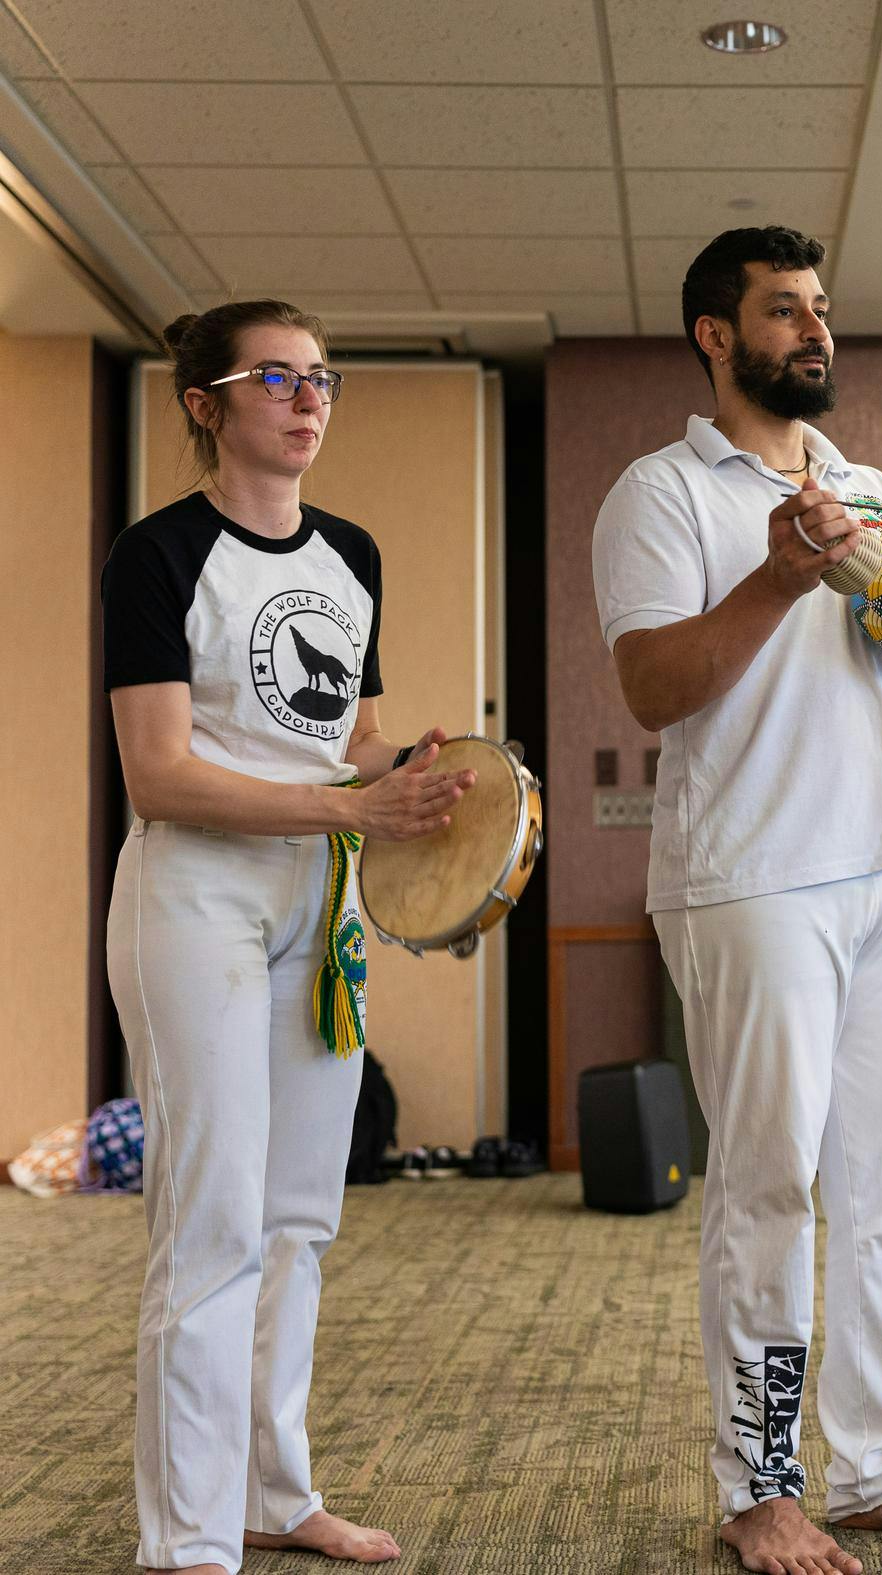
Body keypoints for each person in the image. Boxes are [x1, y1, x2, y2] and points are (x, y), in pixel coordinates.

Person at [592, 226, 882, 1574]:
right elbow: (653, 688)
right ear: (716, 337)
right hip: (749, 881)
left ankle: (873, 1465)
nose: (816, 331)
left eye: (822, 309)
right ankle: (763, 1482)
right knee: (771, 1184)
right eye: (784, 311)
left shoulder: (877, 485)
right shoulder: (662, 491)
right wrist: (779, 576)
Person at [104, 300, 474, 1573]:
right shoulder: (155, 556)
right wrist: (349, 800)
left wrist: (414, 774)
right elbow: (157, 773)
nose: (309, 398)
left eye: (321, 379)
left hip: (317, 903)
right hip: (194, 894)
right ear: (208, 403)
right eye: (278, 377)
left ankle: (274, 1492)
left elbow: (346, 743)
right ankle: (189, 1543)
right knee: (209, 1220)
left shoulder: (353, 555)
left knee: (298, 1221)